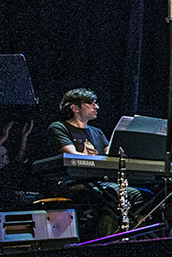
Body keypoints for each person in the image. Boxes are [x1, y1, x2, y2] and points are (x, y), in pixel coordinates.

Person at [48, 89, 146, 235]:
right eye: (90, 103)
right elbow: (72, 156)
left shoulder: (97, 132)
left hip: (98, 183)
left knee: (144, 195)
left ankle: (130, 234)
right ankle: (108, 242)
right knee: (110, 194)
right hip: (72, 182)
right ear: (74, 108)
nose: (96, 107)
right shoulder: (59, 127)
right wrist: (89, 156)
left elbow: (111, 155)